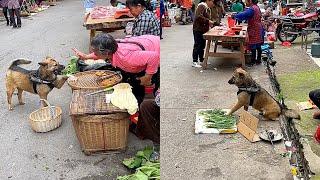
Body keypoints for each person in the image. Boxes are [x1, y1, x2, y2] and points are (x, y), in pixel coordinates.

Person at [72, 33, 160, 105]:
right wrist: (86, 57)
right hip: (147, 45)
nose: (93, 53)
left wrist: (147, 77)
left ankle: (139, 110)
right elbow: (99, 54)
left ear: (106, 53)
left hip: (158, 50)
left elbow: (154, 57)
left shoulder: (127, 58)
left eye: (95, 51)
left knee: (141, 88)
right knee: (133, 81)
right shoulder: (111, 48)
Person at [232, 0, 264, 66]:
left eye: (246, 1)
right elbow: (246, 14)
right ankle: (258, 60)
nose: (245, 2)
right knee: (258, 45)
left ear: (250, 1)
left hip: (254, 28)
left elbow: (244, 14)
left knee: (253, 45)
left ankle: (252, 61)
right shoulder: (256, 7)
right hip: (258, 27)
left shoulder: (252, 9)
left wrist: (235, 16)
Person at [192, 0, 215, 68]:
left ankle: (202, 60)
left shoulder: (207, 8)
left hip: (203, 30)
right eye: (212, 1)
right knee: (198, 45)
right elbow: (199, 16)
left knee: (202, 45)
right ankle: (195, 61)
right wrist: (208, 21)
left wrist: (210, 23)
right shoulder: (202, 6)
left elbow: (206, 18)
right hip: (198, 29)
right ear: (208, 1)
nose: (212, 3)